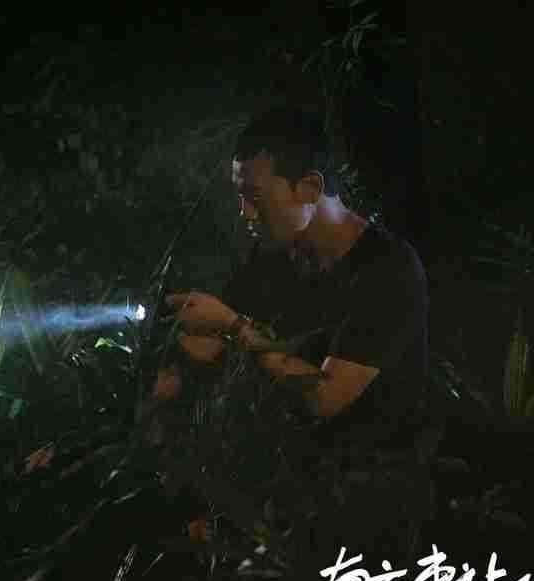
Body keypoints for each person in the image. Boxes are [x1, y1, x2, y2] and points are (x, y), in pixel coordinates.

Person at [152, 105, 429, 458]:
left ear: (310, 187)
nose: (245, 212)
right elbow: (218, 340)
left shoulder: (388, 269)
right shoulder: (274, 254)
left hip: (372, 475)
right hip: (286, 466)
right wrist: (176, 351)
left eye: (255, 197)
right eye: (240, 196)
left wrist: (232, 326)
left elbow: (324, 397)